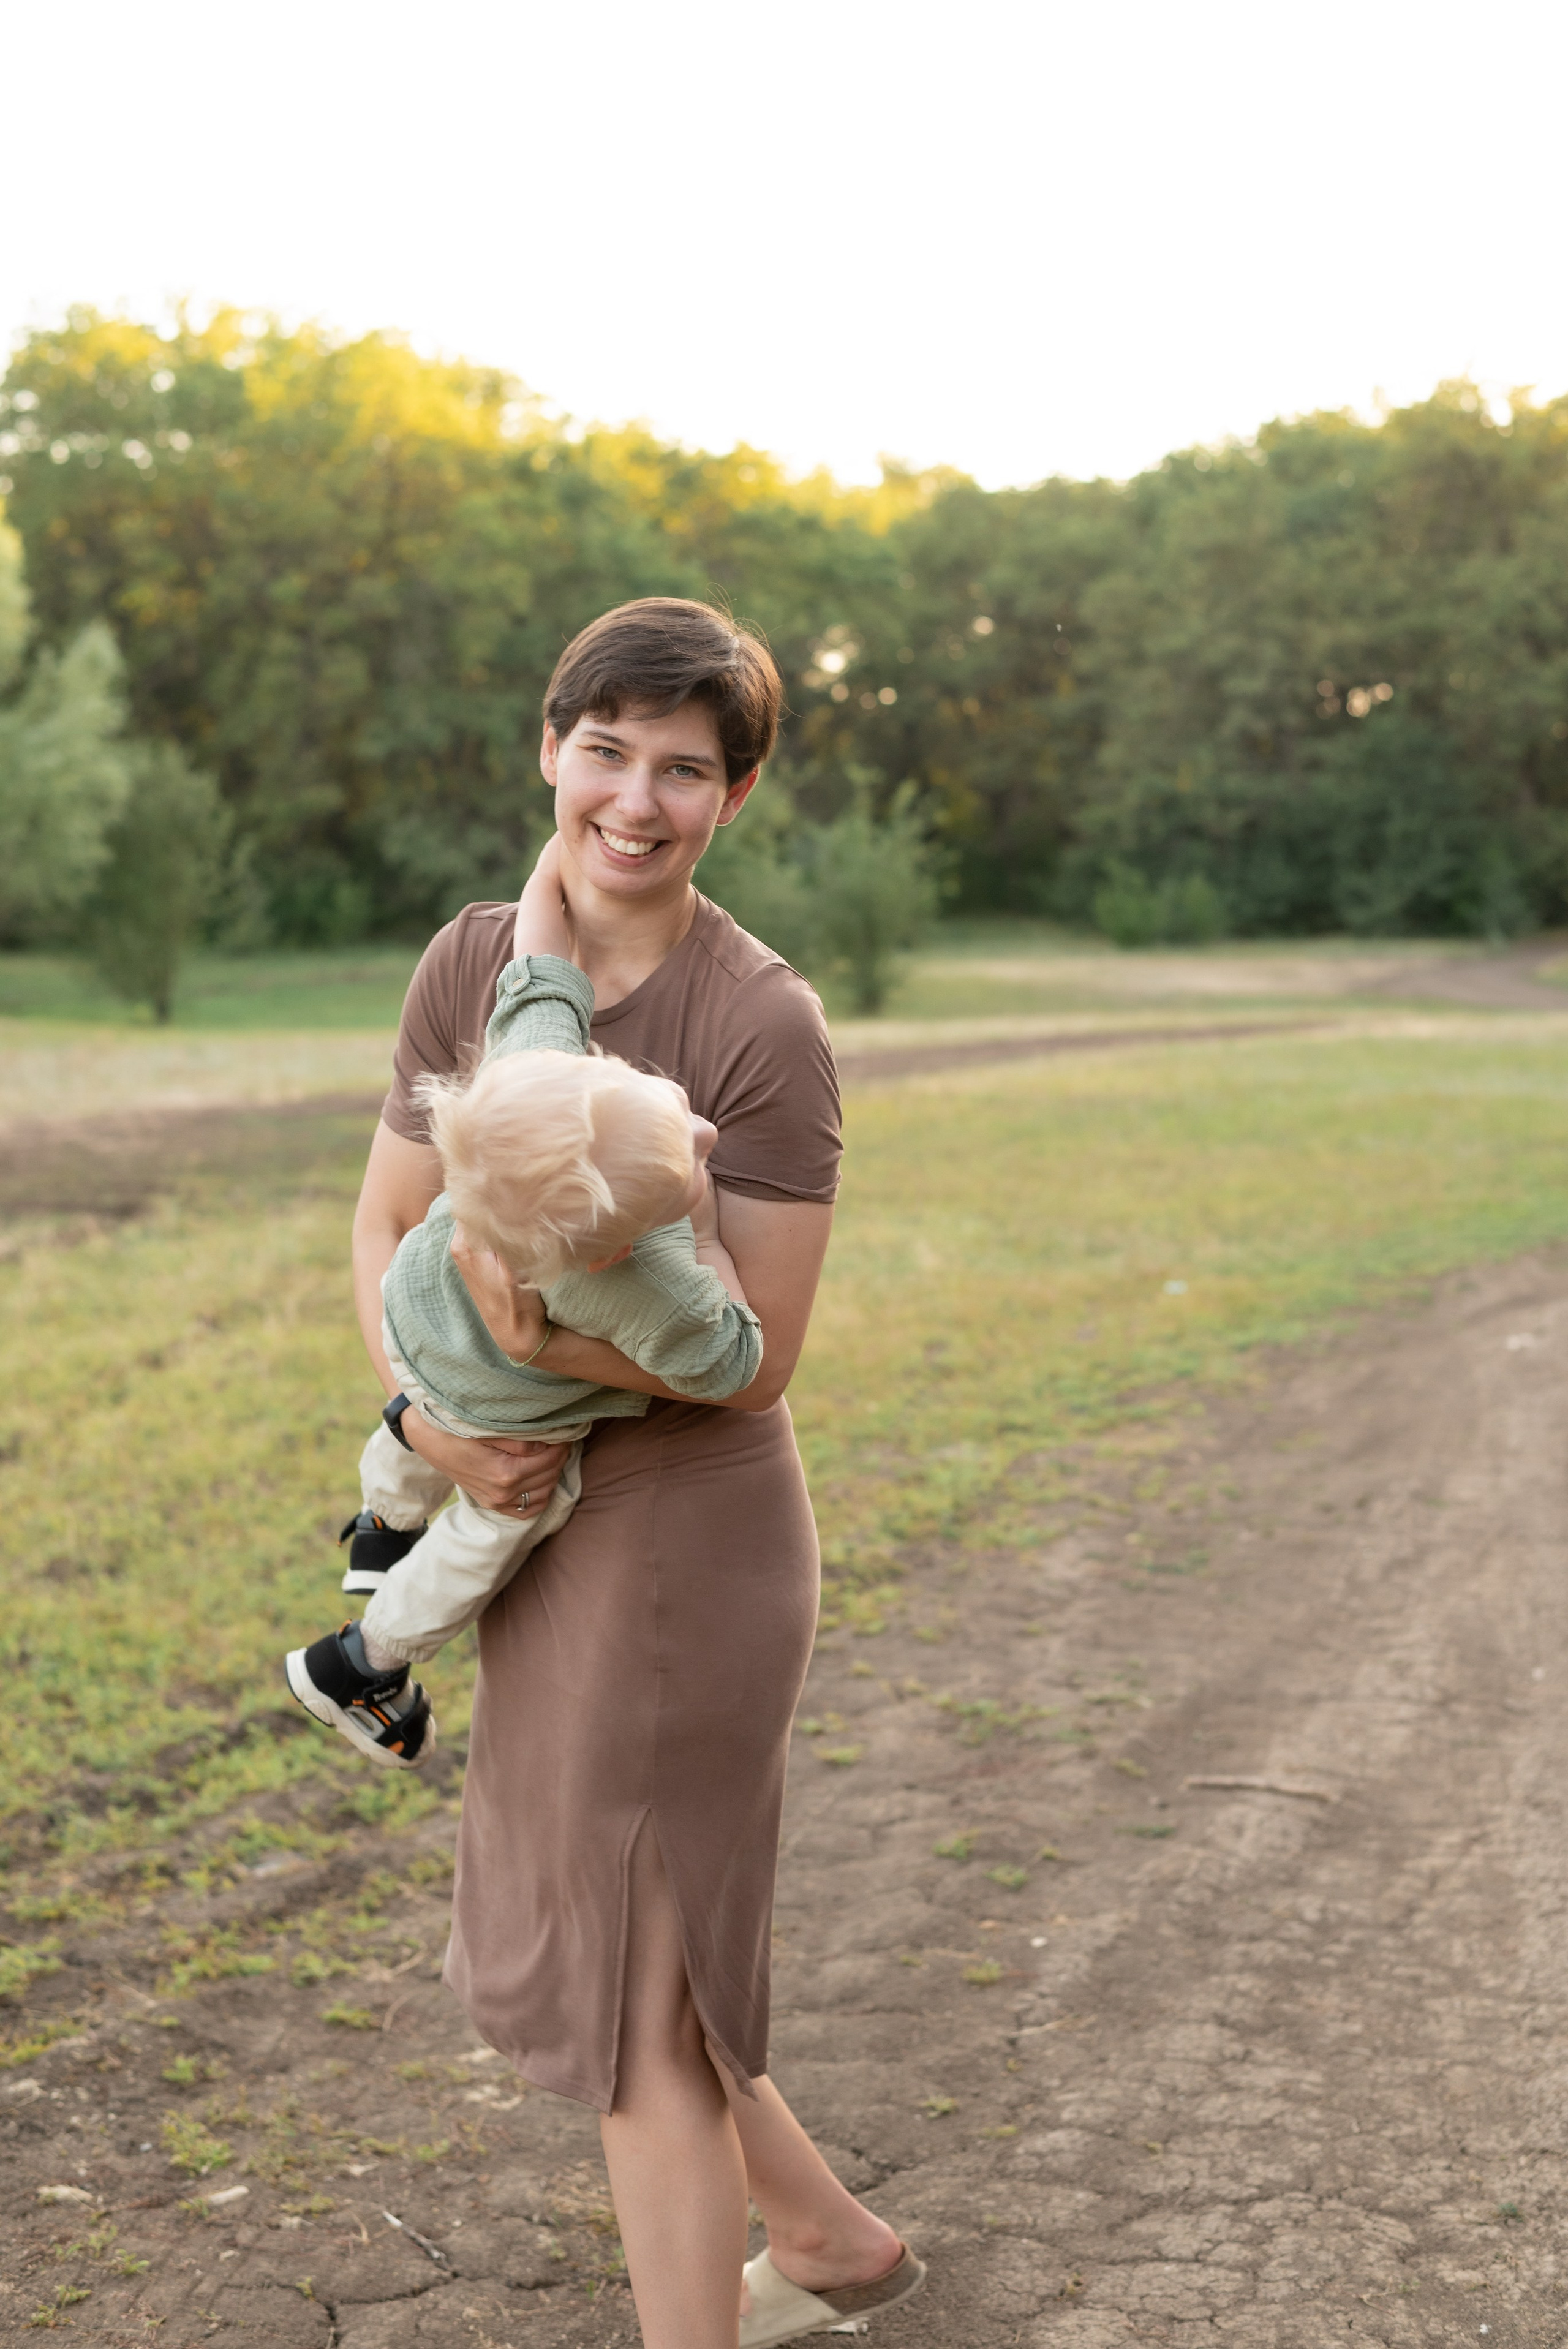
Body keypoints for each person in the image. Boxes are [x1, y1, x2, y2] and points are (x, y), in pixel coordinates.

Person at [352, 598, 925, 2349]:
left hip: (690, 1542)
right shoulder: (469, 966)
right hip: (533, 1514)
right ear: (553, 748)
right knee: (634, 1955)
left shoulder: (763, 1021)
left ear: (733, 794)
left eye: (686, 767)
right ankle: (828, 2246)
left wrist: (526, 1353)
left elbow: (756, 1352)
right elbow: (384, 1224)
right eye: (608, 750)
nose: (637, 798)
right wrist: (431, 1420)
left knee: (633, 1999)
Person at [284, 840, 761, 1770]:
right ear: (622, 1245)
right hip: (500, 1408)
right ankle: (365, 1663)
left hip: (409, 1323)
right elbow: (737, 1363)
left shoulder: (534, 1089)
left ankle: (384, 1520)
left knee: (421, 1406)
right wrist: (703, 1237)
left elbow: (542, 968)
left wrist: (559, 863)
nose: (704, 1132)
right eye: (689, 1160)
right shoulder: (641, 1280)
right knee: (510, 1515)